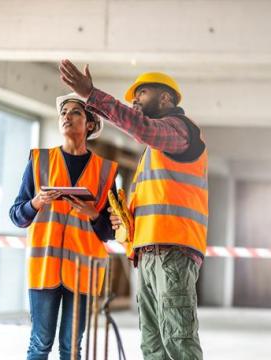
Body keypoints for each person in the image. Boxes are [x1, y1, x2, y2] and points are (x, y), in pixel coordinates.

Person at [59, 59, 207, 359]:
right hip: (149, 254)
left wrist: (91, 95)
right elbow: (157, 202)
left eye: (142, 93)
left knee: (178, 340)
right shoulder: (153, 156)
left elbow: (141, 127)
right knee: (152, 345)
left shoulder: (180, 132)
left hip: (173, 253)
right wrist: (124, 219)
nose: (135, 100)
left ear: (165, 98)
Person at [9, 92, 119, 360]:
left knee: (71, 347)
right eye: (63, 113)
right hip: (45, 268)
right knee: (40, 344)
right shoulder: (39, 161)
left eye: (75, 113)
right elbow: (16, 215)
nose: (67, 116)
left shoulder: (105, 171)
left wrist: (94, 213)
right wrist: (35, 202)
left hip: (84, 272)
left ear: (90, 124)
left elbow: (110, 231)